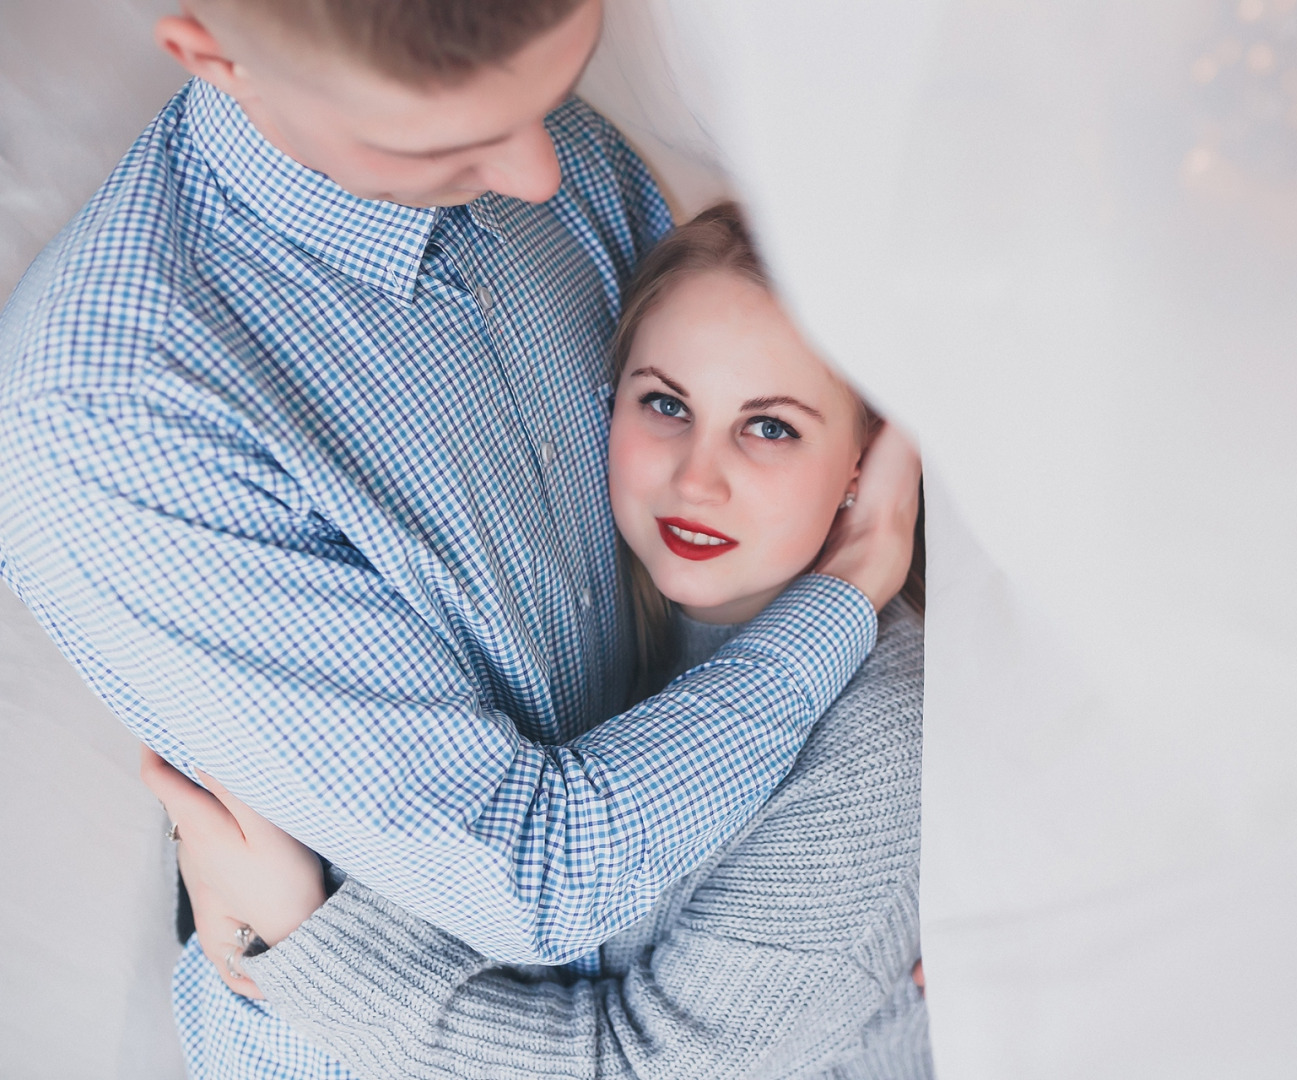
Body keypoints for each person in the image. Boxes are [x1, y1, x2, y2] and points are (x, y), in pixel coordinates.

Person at [0, 1, 919, 1077]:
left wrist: (892, 885)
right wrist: (846, 597)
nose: (540, 171)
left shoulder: (540, 135)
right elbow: (538, 881)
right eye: (444, 143)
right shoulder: (116, 412)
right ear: (214, 54)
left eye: (553, 87)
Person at [145, 203, 932, 1080]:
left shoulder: (883, 741)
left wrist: (302, 941)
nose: (696, 478)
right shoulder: (582, 591)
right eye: (666, 403)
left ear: (869, 458)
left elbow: (640, 1069)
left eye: (770, 426)